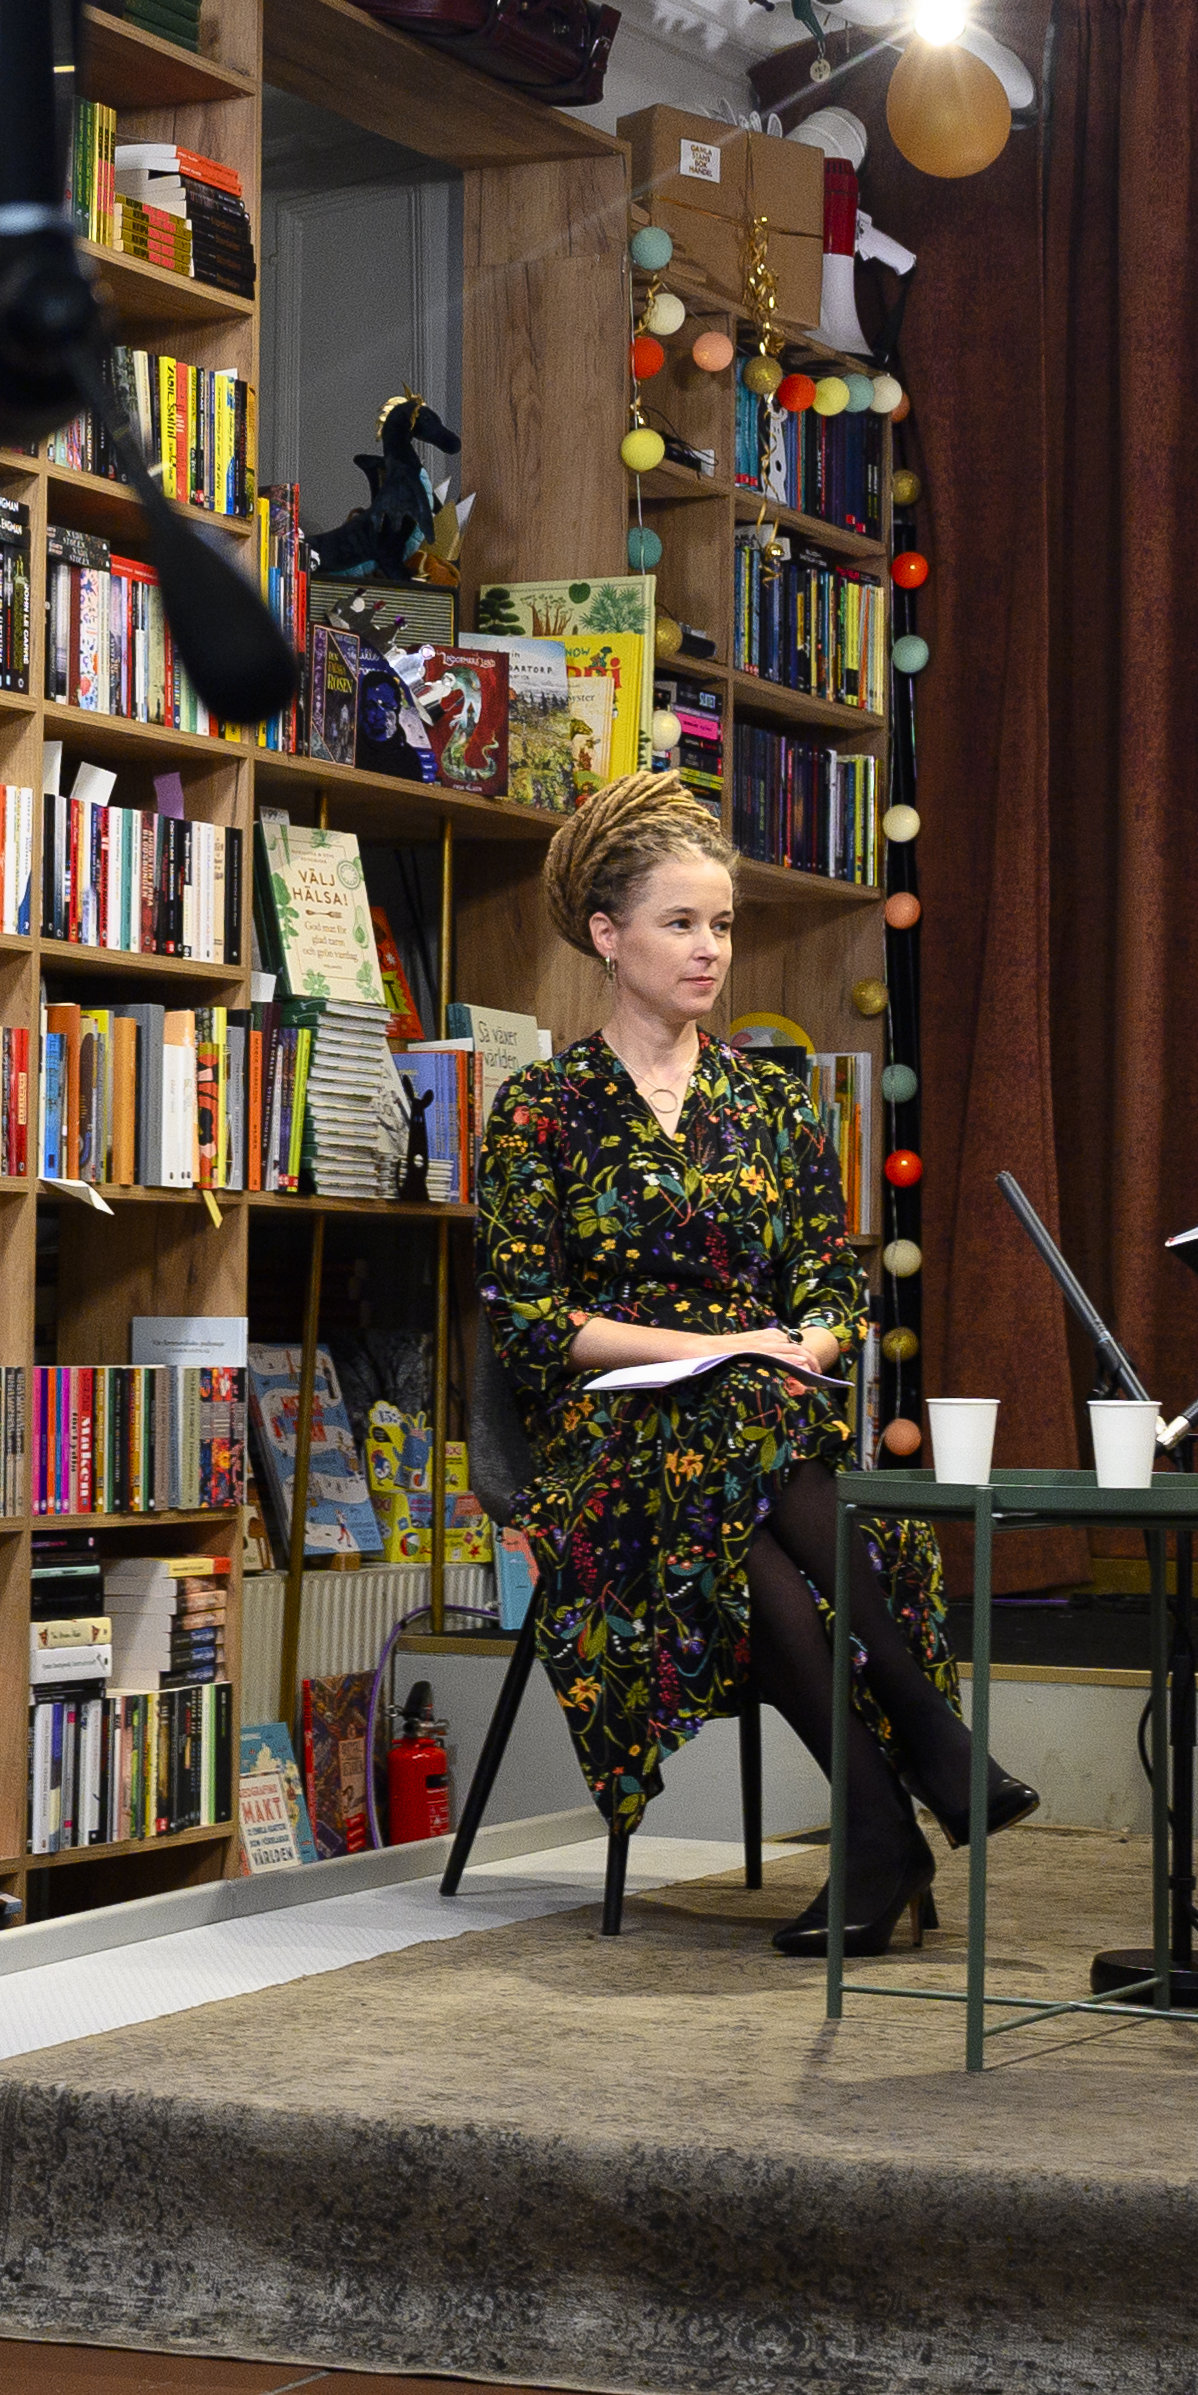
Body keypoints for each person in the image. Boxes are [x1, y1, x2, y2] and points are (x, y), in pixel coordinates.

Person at [476, 770, 1032, 1951]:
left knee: (735, 1492)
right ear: (604, 933)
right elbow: (529, 1321)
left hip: (757, 1438)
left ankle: (881, 1829)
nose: (708, 949)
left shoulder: (768, 1103)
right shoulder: (540, 1107)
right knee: (724, 1432)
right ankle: (928, 1748)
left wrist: (803, 1344)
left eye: (721, 924)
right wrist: (723, 1345)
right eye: (680, 922)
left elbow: (833, 1286)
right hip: (606, 1443)